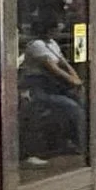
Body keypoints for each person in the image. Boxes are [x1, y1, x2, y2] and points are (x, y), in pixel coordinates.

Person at [17, 11, 84, 159]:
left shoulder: (52, 44)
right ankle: (77, 142)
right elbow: (53, 68)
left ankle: (73, 140)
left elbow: (64, 63)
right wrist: (72, 80)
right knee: (71, 106)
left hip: (51, 87)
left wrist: (76, 79)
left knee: (81, 100)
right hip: (37, 89)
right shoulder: (37, 45)